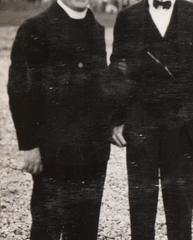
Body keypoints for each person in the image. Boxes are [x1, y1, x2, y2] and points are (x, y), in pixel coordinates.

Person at [110, 0, 193, 239]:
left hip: (183, 123)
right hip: (141, 122)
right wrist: (117, 118)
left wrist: (176, 96)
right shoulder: (128, 16)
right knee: (141, 201)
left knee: (180, 201)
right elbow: (118, 69)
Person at [8, 0, 111, 239]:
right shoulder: (35, 28)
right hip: (52, 151)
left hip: (92, 153)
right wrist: (29, 145)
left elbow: (100, 89)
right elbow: (21, 90)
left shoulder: (96, 29)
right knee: (48, 226)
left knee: (85, 229)